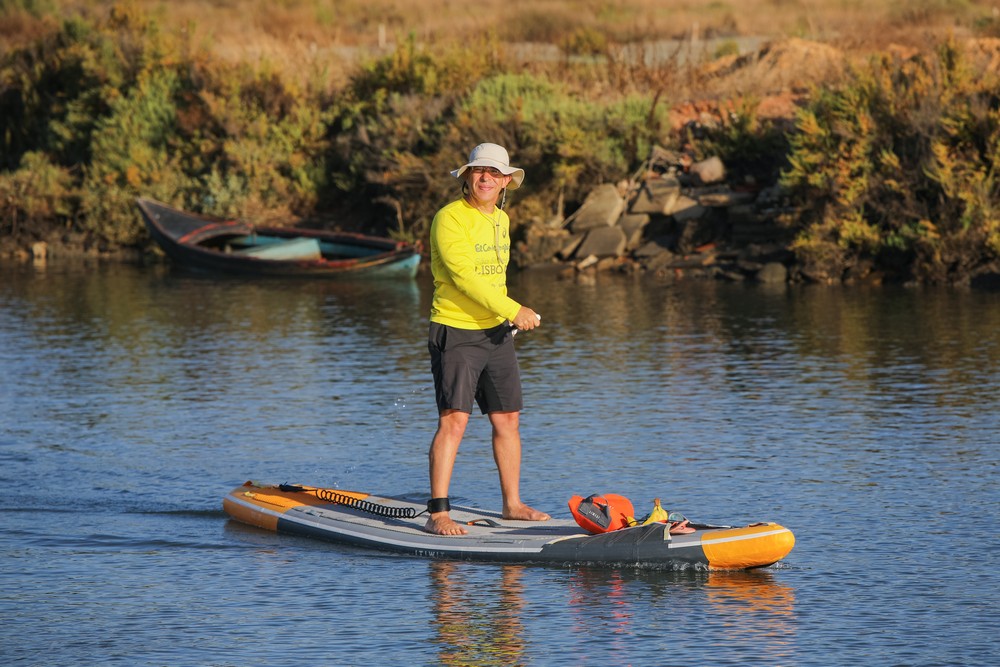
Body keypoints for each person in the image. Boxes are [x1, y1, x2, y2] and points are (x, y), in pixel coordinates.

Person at [425, 142, 551, 536]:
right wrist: (514, 309)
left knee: (508, 418)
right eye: (479, 170)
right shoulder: (449, 218)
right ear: (467, 176)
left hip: (496, 333)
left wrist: (506, 316)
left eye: (494, 172)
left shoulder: (502, 219)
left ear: (506, 181)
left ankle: (512, 505)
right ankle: (438, 513)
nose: (486, 178)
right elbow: (464, 278)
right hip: (456, 329)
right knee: (454, 421)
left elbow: (494, 278)